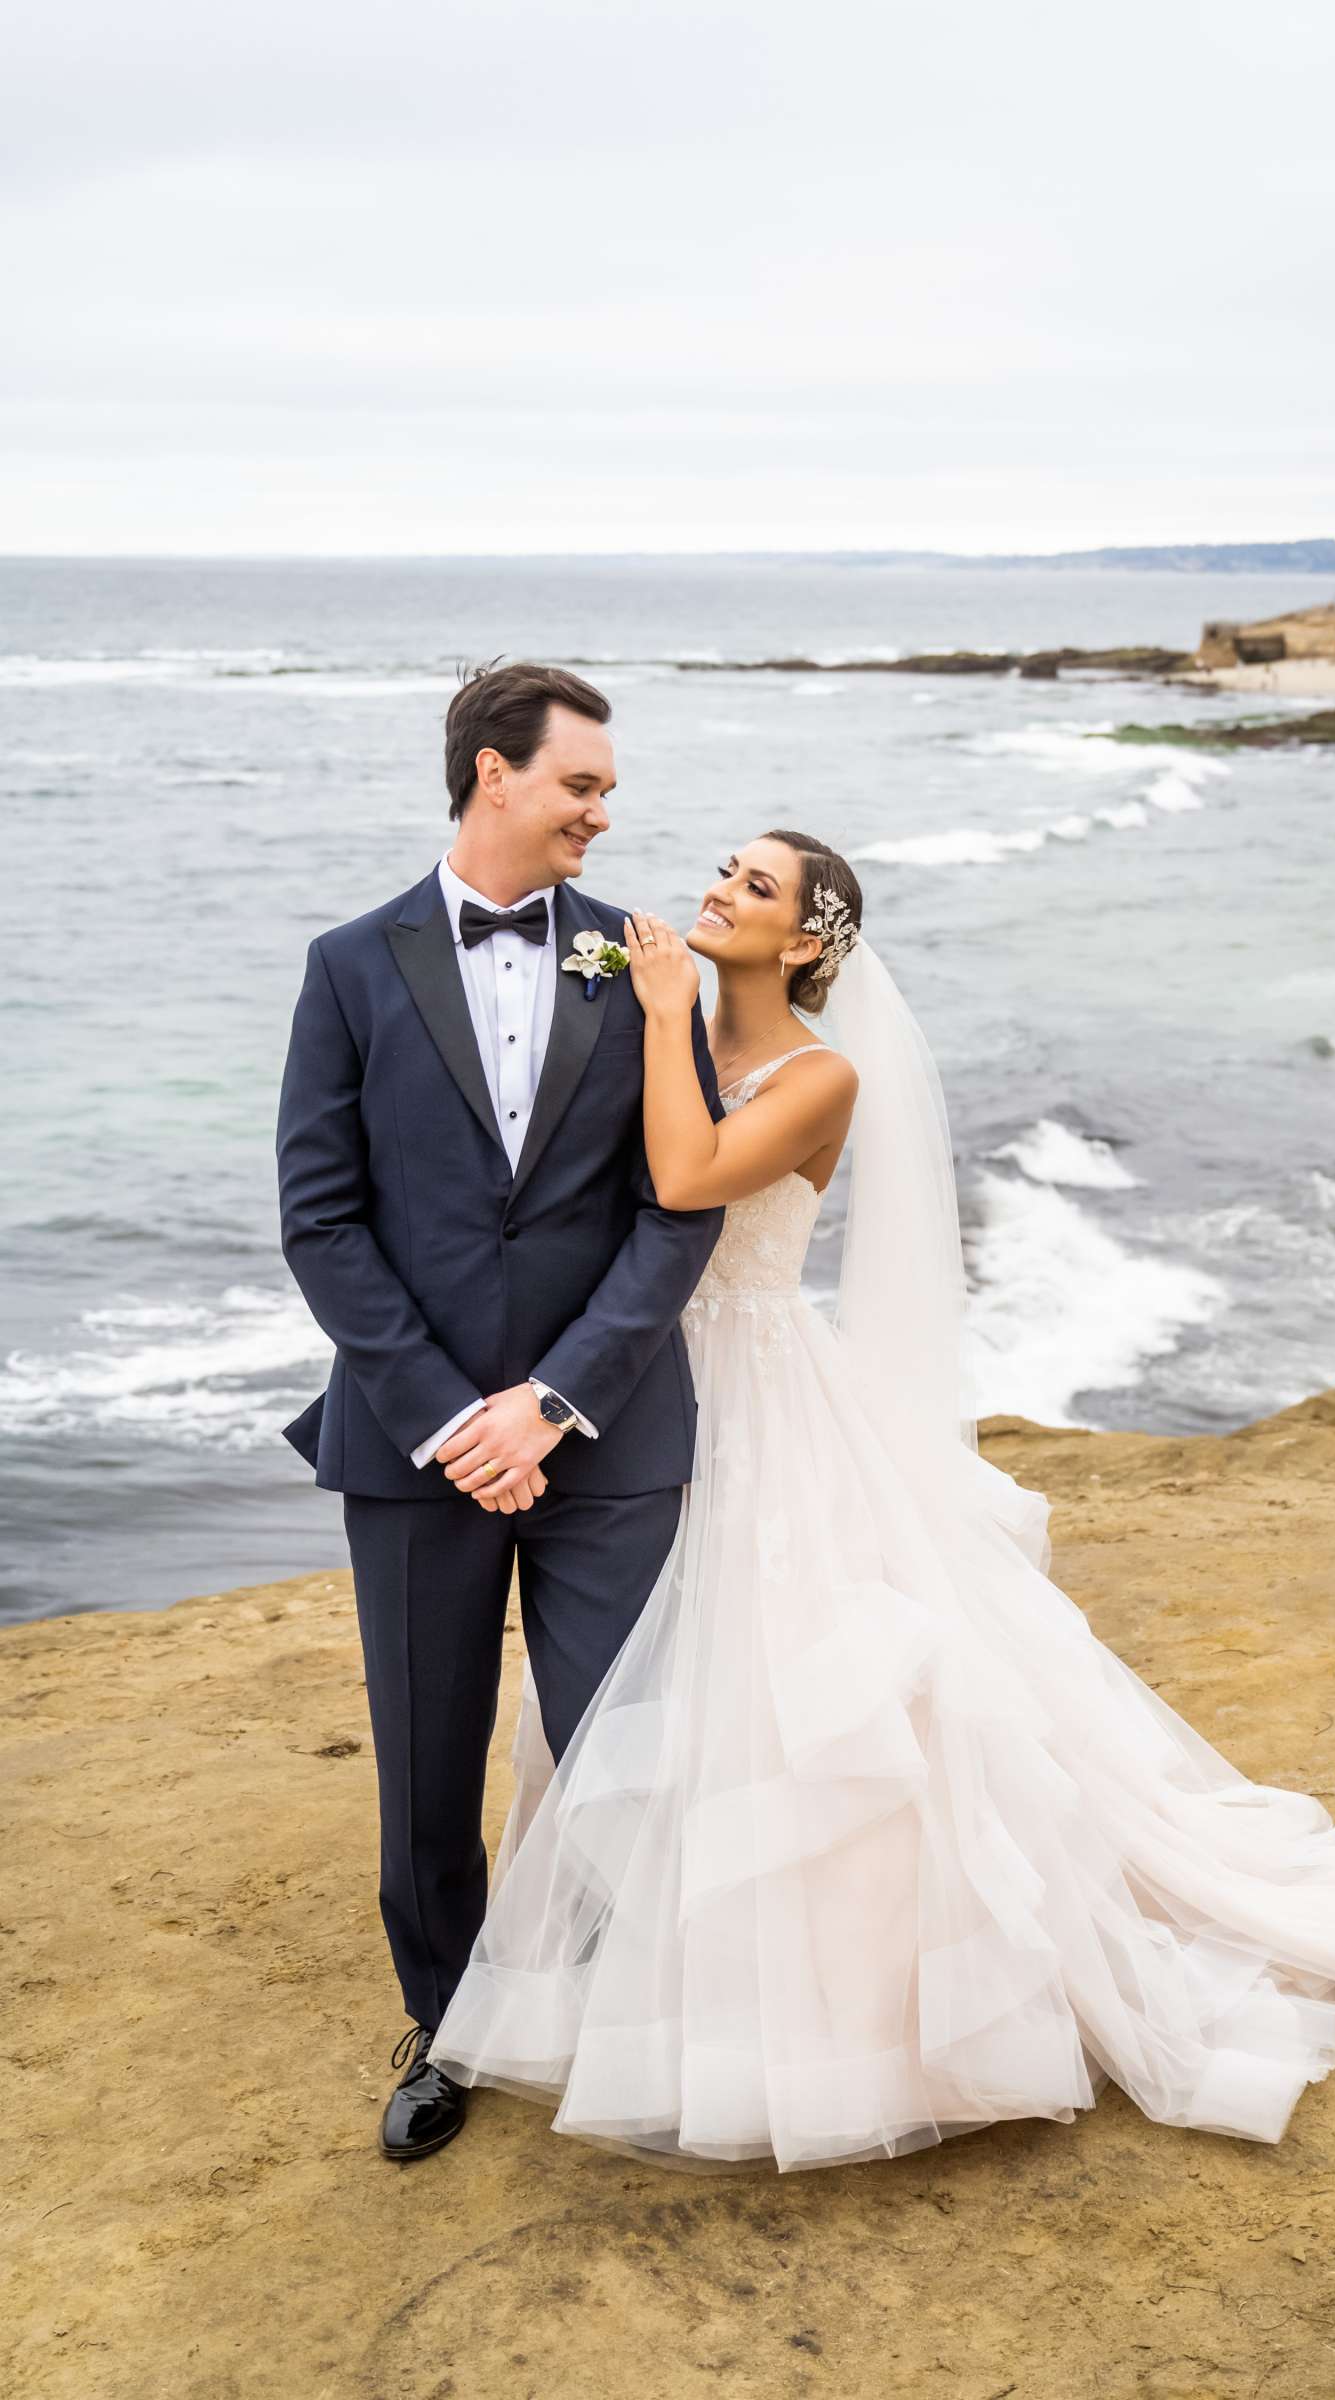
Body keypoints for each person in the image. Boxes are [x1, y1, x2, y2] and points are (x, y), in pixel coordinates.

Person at [428, 832, 1335, 2171]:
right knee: (623, 1669)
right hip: (645, 1394)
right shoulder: (667, 1037)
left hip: (764, 1399)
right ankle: (630, 1946)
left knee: (793, 1694)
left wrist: (661, 1011)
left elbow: (683, 1183)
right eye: (726, 867)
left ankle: (821, 2009)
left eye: (759, 887)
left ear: (807, 948)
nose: (719, 888)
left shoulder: (818, 1075)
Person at [275, 661, 724, 2162]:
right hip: (416, 1454)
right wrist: (451, 1418)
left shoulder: (643, 964)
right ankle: (448, 2027)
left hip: (609, 1437)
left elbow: (682, 1206)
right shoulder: (349, 966)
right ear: (492, 775)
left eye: (605, 786)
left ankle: (604, 2015)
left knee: (620, 1746)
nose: (608, 808)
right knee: (427, 1758)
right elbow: (322, 1221)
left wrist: (552, 1402)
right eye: (583, 783)